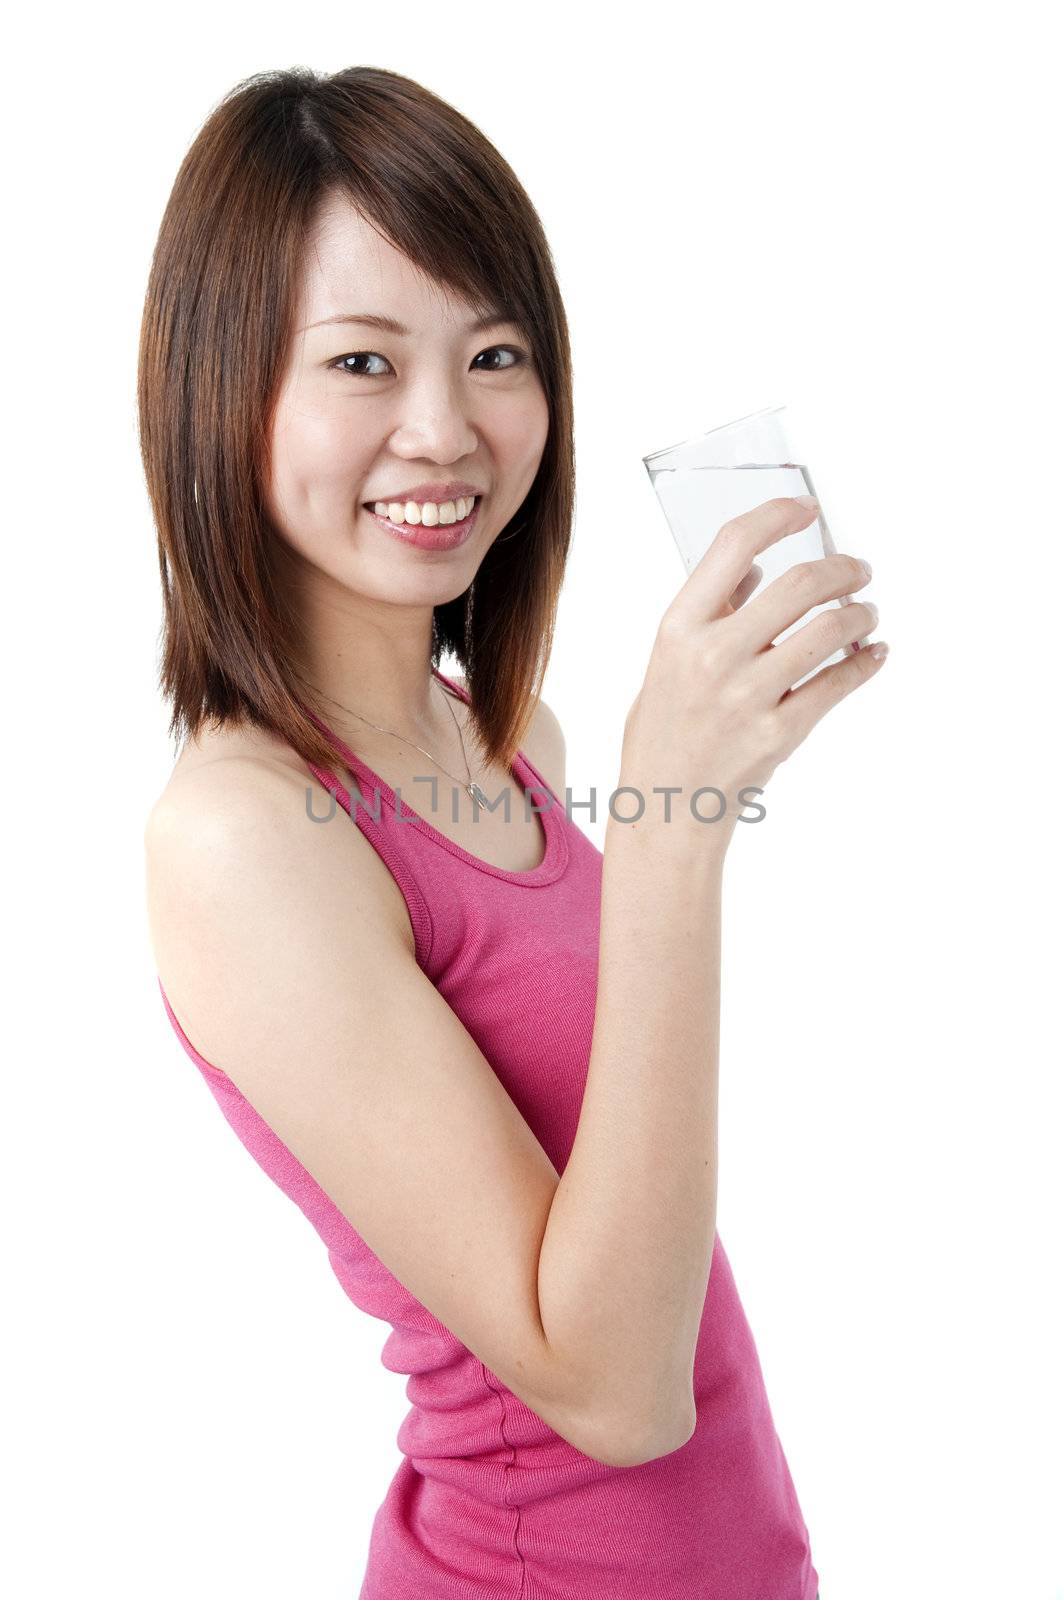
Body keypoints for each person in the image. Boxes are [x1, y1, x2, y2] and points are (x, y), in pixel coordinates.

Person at [141, 64, 884, 1600]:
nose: (446, 429)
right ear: (225, 390)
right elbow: (612, 1389)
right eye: (361, 361)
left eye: (493, 354)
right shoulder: (245, 834)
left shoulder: (502, 737)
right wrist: (679, 828)